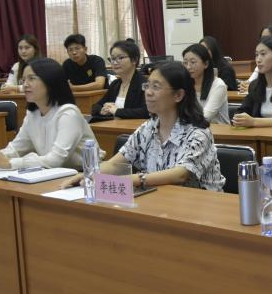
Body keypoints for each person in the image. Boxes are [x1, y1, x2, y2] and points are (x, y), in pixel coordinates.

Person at [65, 61, 224, 192]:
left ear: (178, 95)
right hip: (161, 201)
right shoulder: (148, 128)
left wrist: (136, 179)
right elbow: (115, 164)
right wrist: (90, 174)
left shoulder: (198, 133)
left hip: (201, 207)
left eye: (156, 87)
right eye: (147, 86)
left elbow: (180, 175)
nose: (148, 92)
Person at [0, 58, 97, 170]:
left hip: (84, 174)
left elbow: (55, 160)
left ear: (50, 81)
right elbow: (16, 148)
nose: (25, 85)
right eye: (23, 80)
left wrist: (10, 163)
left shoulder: (68, 114)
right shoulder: (33, 114)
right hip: (54, 174)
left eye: (31, 78)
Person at [91, 39, 148, 120]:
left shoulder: (144, 84)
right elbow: (95, 107)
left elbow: (147, 111)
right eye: (112, 58)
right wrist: (102, 110)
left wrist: (117, 111)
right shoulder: (115, 84)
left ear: (134, 60)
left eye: (120, 58)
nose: (115, 62)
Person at [183, 43, 229, 124]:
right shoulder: (185, 84)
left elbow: (205, 117)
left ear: (206, 64)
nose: (188, 67)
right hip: (192, 129)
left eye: (193, 62)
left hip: (217, 131)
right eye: (185, 63)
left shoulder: (218, 86)